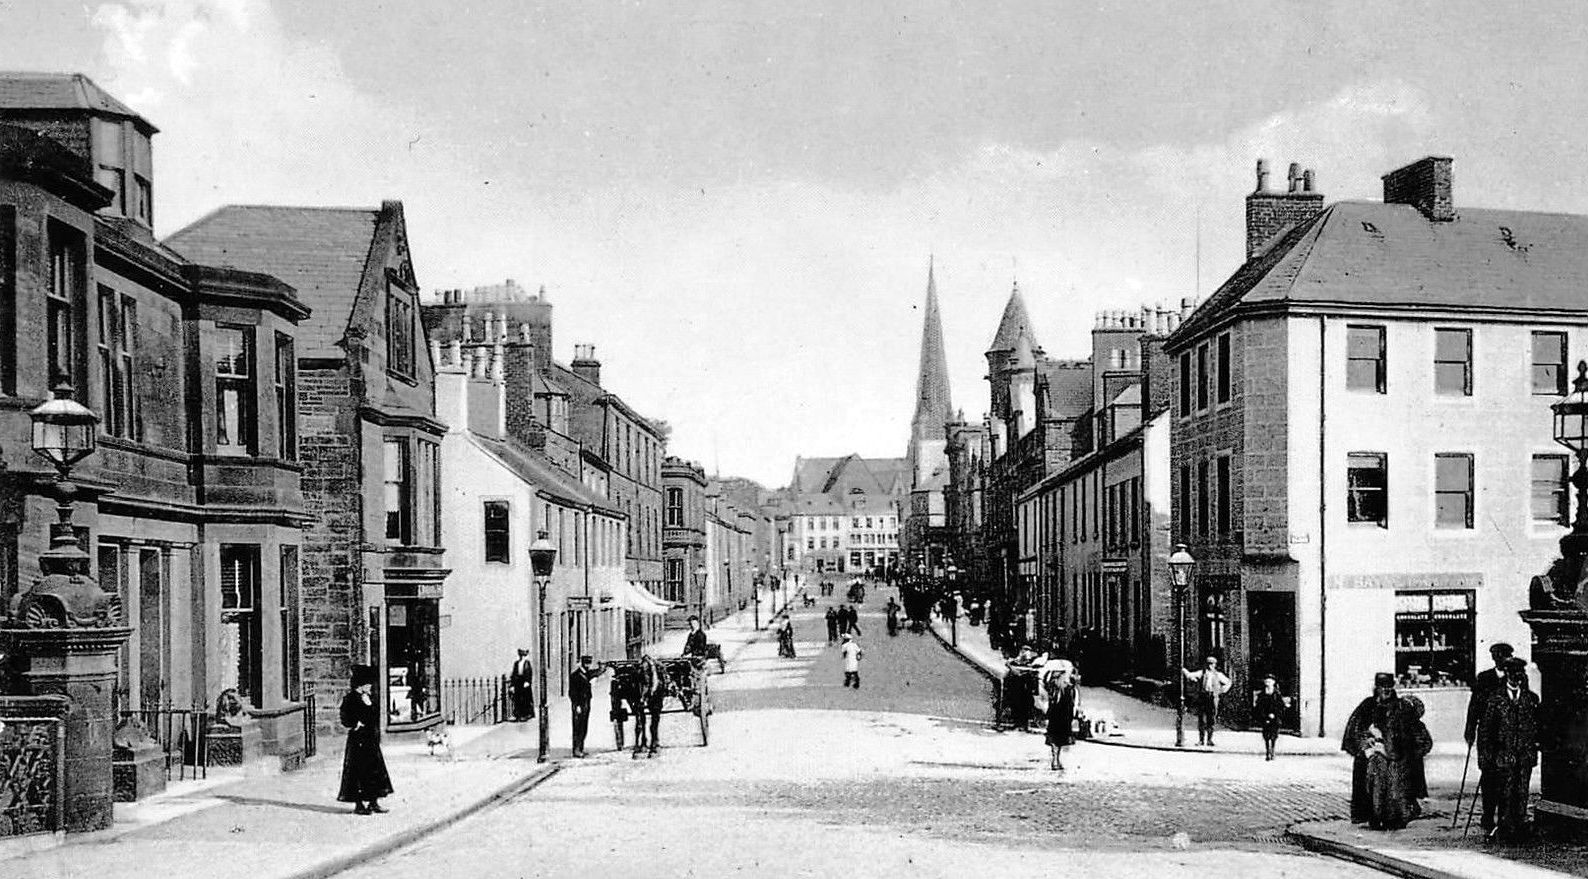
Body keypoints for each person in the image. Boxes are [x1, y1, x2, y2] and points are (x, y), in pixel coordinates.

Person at [1477, 657, 1541, 842]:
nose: (1516, 679)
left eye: (1519, 675)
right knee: (1504, 792)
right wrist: (1486, 756)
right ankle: (1504, 829)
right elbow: (1486, 731)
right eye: (1512, 674)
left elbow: (1536, 726)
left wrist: (1535, 746)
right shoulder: (1495, 699)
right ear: (1506, 674)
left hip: (1524, 755)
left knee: (1521, 792)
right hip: (1503, 755)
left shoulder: (1530, 699)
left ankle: (1519, 828)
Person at [1343, 672, 1415, 830]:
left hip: (1395, 755)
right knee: (1372, 784)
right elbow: (1355, 728)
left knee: (1393, 787)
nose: (1386, 691)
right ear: (1376, 688)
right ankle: (1374, 816)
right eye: (1383, 687)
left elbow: (1408, 732)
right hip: (1372, 754)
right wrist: (1365, 740)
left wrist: (1394, 745)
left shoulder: (1400, 706)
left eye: (1389, 687)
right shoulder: (1367, 705)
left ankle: (1393, 817)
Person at [1465, 642, 1514, 833]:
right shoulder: (1484, 678)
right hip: (1487, 736)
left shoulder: (1516, 677)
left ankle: (1503, 818)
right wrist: (1470, 729)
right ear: (1495, 658)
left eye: (1507, 656)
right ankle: (1487, 815)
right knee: (1488, 775)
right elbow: (1474, 706)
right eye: (1500, 656)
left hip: (1507, 737)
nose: (1504, 660)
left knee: (1505, 776)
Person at [337, 665, 393, 815]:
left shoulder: (368, 698)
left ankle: (373, 802)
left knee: (374, 769)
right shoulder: (350, 699)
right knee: (358, 771)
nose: (370, 687)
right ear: (361, 685)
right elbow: (344, 717)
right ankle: (359, 804)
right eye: (368, 684)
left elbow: (374, 715)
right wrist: (355, 724)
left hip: (370, 739)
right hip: (358, 741)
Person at [1182, 655, 1232, 746]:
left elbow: (1228, 682)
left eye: (1212, 664)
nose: (1210, 666)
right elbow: (1190, 675)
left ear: (1215, 665)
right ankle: (1201, 740)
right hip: (1203, 697)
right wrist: (1184, 670)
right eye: (1209, 664)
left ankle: (1209, 739)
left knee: (1211, 719)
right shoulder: (1202, 673)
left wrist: (1221, 690)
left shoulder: (1218, 675)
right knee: (1202, 719)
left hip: (1213, 697)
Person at [568, 654, 608, 758]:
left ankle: (580, 748)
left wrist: (603, 667)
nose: (588, 665)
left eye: (589, 663)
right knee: (578, 727)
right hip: (579, 705)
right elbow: (572, 693)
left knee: (583, 727)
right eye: (587, 663)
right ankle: (576, 750)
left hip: (586, 704)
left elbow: (596, 673)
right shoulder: (575, 675)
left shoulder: (586, 673)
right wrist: (576, 705)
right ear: (583, 663)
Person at [1043, 659, 1079, 771]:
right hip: (1061, 715)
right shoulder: (1063, 688)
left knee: (1056, 739)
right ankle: (1055, 761)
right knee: (1057, 739)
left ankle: (1055, 760)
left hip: (1059, 715)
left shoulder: (1058, 687)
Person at [632, 652, 665, 758]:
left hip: (653, 693)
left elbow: (650, 682)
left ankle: (655, 742)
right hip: (641, 692)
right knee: (640, 720)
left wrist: (650, 691)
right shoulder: (638, 676)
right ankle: (642, 742)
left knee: (654, 720)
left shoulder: (655, 679)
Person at [1252, 673, 1289, 761]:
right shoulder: (1262, 694)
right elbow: (1258, 706)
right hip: (1265, 717)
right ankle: (1267, 751)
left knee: (1274, 735)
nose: (1268, 683)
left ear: (1273, 682)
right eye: (1266, 681)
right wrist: (1264, 715)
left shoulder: (1277, 694)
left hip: (1275, 717)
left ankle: (1272, 750)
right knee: (1266, 735)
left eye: (1270, 681)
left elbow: (1281, 706)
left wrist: (1275, 714)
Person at [509, 648, 535, 722]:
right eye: (520, 655)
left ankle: (526, 714)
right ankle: (518, 715)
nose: (521, 657)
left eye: (523, 655)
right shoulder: (516, 663)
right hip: (518, 682)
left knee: (525, 699)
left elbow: (529, 673)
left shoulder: (527, 663)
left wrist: (528, 681)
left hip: (525, 683)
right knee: (517, 699)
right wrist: (512, 685)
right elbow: (514, 674)